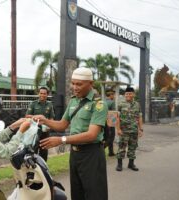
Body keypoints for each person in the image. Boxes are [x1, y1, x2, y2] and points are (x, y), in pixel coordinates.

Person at [33, 67, 108, 200]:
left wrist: (61, 140)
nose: (74, 87)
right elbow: (62, 124)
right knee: (77, 193)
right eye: (73, 83)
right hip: (75, 155)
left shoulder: (99, 105)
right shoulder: (74, 101)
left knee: (94, 194)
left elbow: (92, 135)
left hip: (91, 155)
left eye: (79, 84)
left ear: (90, 84)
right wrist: (45, 120)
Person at [116, 86, 143, 172]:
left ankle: (131, 164)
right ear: (124, 94)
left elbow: (139, 117)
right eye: (126, 94)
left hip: (134, 130)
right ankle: (119, 164)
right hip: (123, 130)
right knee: (121, 147)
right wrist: (118, 129)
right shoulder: (120, 104)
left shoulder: (137, 104)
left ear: (133, 94)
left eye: (130, 93)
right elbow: (117, 117)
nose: (128, 95)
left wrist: (140, 129)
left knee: (133, 147)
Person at [25, 86, 55, 161]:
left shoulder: (49, 105)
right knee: (33, 150)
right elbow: (27, 116)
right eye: (41, 93)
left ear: (47, 95)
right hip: (34, 131)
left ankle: (43, 169)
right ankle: (33, 170)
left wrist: (50, 125)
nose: (42, 95)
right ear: (38, 94)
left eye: (44, 93)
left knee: (44, 151)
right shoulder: (33, 104)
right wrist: (37, 117)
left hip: (45, 131)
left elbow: (51, 118)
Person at [104, 90, 116, 156]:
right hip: (110, 121)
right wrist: (114, 123)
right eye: (113, 95)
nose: (114, 96)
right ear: (110, 95)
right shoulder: (112, 102)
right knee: (111, 137)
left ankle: (111, 152)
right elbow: (113, 113)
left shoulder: (102, 101)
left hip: (103, 121)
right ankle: (102, 148)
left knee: (107, 136)